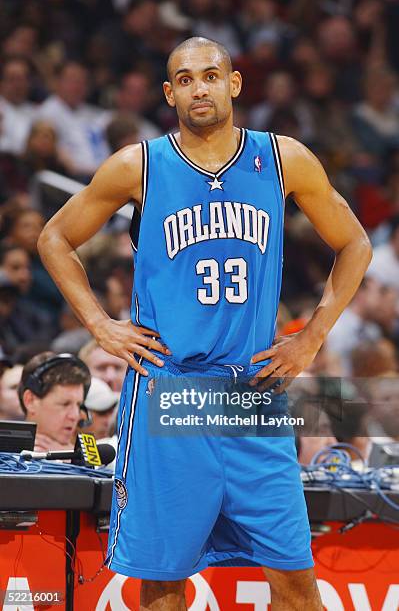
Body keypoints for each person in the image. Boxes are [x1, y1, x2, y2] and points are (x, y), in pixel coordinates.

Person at [38, 37, 372, 611]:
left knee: (295, 579)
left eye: (211, 75)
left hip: (252, 394)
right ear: (169, 94)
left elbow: (355, 244)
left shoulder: (284, 158)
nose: (200, 88)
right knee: (166, 581)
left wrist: (312, 335)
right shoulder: (138, 164)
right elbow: (55, 238)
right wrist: (100, 325)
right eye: (186, 79)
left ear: (234, 84)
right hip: (171, 390)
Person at [18, 352, 91, 453]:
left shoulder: (90, 454)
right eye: (65, 404)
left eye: (78, 405)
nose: (75, 416)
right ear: (30, 401)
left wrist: (70, 457)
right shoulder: (5, 457)